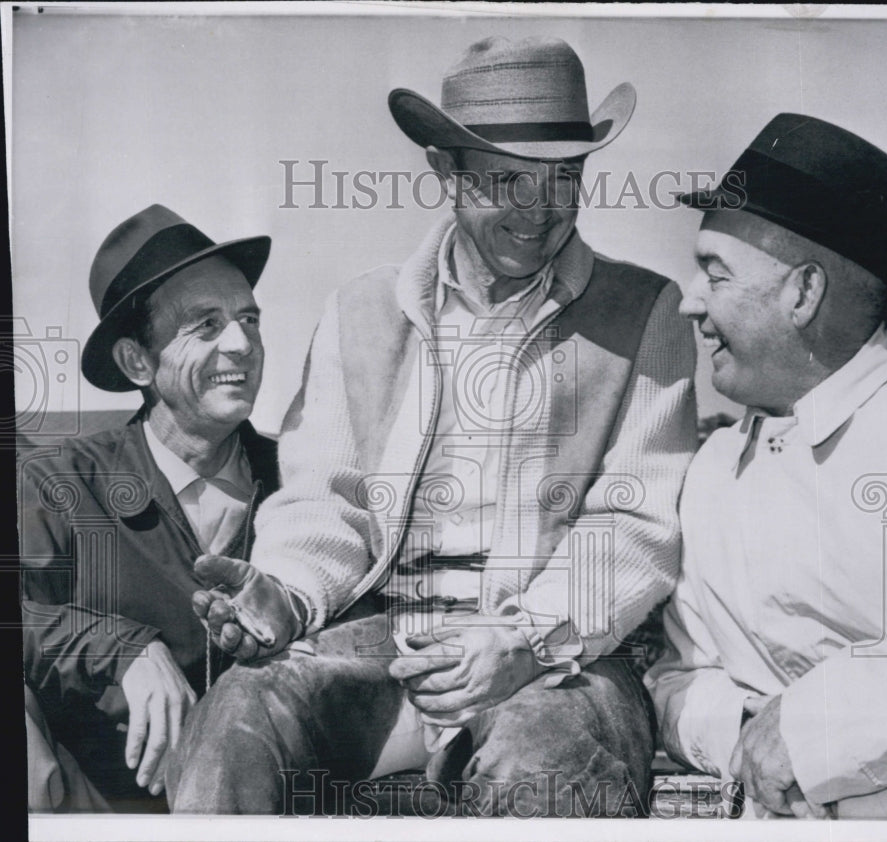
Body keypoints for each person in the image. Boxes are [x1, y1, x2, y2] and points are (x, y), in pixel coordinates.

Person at [168, 36, 698, 816]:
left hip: (562, 663)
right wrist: (287, 595)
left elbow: (634, 525)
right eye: (506, 180)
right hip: (385, 647)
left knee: (540, 761)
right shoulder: (361, 311)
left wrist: (529, 638)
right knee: (238, 713)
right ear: (445, 171)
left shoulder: (647, 312)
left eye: (565, 178)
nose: (539, 210)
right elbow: (328, 500)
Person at [645, 114, 887, 819]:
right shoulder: (711, 469)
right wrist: (741, 734)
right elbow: (681, 675)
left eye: (714, 271)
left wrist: (833, 727)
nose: (687, 301)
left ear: (803, 293)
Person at [21, 205, 279, 811]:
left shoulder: (302, 481)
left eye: (249, 318)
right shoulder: (61, 483)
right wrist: (120, 646)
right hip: (111, 806)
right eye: (206, 324)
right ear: (138, 362)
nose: (242, 344)